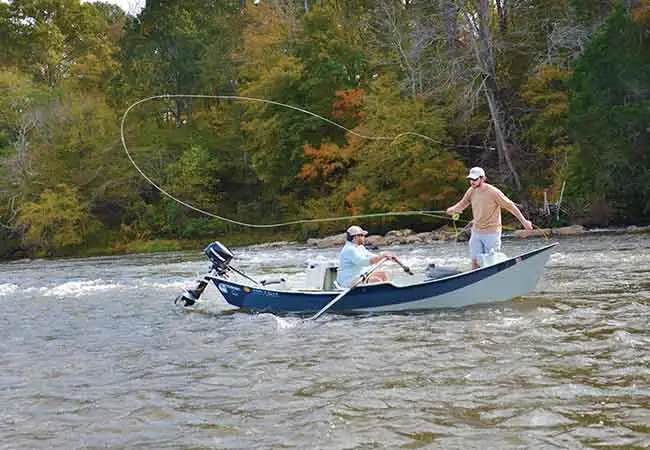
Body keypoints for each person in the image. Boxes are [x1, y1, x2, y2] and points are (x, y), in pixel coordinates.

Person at [446, 166, 533, 270]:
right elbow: (463, 203)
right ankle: (476, 284)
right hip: (476, 232)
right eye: (470, 179)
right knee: (475, 262)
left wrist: (524, 222)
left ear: (482, 179)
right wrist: (453, 209)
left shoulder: (493, 192)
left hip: (492, 233)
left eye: (475, 179)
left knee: (491, 264)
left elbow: (510, 206)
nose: (472, 182)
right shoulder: (471, 191)